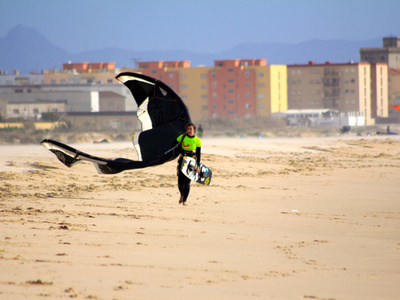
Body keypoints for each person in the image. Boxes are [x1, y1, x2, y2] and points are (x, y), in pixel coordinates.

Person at [176, 123, 201, 205]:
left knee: (187, 182)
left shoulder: (197, 140)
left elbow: (198, 154)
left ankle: (185, 200)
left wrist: (198, 166)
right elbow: (174, 145)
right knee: (180, 182)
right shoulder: (182, 138)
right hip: (182, 161)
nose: (189, 130)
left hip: (191, 163)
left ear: (194, 130)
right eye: (188, 129)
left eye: (191, 129)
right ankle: (182, 195)